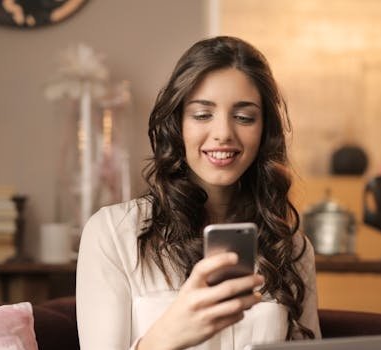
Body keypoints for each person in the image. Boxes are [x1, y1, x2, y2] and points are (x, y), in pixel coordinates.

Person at [76, 36, 320, 350]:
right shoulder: (112, 232)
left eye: (244, 117)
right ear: (177, 125)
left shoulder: (292, 247)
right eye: (202, 115)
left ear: (264, 131)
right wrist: (165, 337)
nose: (223, 134)